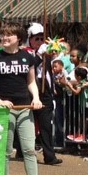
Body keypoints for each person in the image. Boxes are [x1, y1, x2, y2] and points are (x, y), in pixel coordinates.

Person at [0, 23, 51, 175]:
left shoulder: (27, 57)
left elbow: (31, 81)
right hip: (4, 110)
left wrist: (35, 97)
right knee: (5, 151)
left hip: (25, 108)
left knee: (29, 149)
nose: (5, 38)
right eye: (3, 35)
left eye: (9, 35)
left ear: (18, 38)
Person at [27, 23, 62, 165]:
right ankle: (24, 151)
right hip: (31, 94)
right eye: (37, 39)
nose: (40, 42)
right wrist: (39, 55)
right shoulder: (26, 53)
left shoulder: (45, 55)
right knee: (28, 126)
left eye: (42, 39)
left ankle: (49, 156)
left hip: (45, 94)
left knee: (46, 126)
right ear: (30, 39)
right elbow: (30, 66)